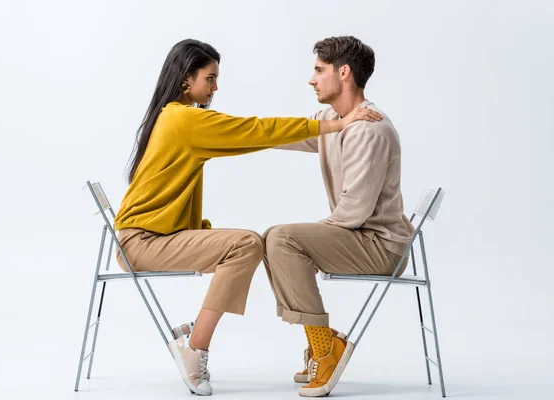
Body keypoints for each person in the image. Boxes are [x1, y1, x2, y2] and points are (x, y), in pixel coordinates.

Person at [113, 38, 380, 396]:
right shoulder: (184, 119)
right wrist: (333, 126)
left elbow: (254, 134)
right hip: (141, 242)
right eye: (210, 78)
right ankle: (195, 347)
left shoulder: (174, 117)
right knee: (245, 244)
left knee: (248, 243)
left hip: (151, 238)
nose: (216, 86)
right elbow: (253, 130)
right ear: (185, 80)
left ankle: (196, 336)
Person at [263, 36, 415, 397]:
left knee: (283, 238)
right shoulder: (335, 119)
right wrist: (235, 132)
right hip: (357, 236)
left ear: (343, 72)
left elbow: (355, 210)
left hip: (380, 247)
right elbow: (295, 133)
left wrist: (314, 243)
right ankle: (324, 344)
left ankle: (326, 350)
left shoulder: (370, 129)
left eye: (319, 70)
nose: (311, 79)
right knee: (274, 238)